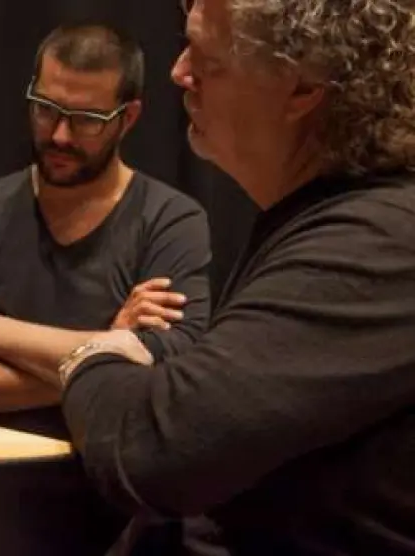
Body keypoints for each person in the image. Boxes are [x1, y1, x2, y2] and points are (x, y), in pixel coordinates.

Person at [57, 0, 415, 553]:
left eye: (208, 59)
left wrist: (91, 356)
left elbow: (152, 449)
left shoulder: (381, 241)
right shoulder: (338, 220)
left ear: (303, 86)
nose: (179, 72)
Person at [0, 23, 212, 439]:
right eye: (46, 109)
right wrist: (108, 347)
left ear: (128, 118)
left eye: (86, 120)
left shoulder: (170, 220)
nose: (60, 135)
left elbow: (168, 372)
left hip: (110, 472)